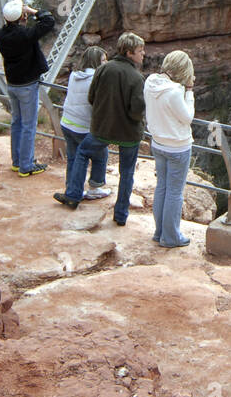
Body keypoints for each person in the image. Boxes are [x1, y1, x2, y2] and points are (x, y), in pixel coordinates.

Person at [64, 32, 146, 227]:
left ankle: (73, 195)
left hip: (103, 129)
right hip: (128, 134)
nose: (143, 54)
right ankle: (120, 215)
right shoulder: (136, 77)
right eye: (140, 51)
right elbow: (137, 111)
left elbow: (91, 97)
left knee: (82, 153)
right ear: (129, 52)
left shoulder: (103, 69)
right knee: (126, 173)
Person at [0, 0, 55, 176]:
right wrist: (34, 11)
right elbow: (49, 21)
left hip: (12, 84)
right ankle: (26, 166)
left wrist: (21, 14)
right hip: (27, 85)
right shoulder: (26, 35)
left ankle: (17, 161)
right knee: (28, 125)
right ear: (23, 17)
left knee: (17, 123)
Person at [144, 50, 196, 248]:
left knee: (162, 188)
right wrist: (189, 90)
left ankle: (159, 233)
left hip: (158, 143)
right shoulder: (175, 92)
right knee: (175, 192)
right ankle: (171, 237)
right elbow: (187, 117)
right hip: (178, 147)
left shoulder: (150, 82)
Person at [58, 46, 111, 201]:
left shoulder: (74, 75)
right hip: (84, 127)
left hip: (67, 123)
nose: (106, 63)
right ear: (95, 62)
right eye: (103, 60)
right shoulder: (97, 79)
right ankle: (95, 187)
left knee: (73, 158)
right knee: (100, 154)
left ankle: (72, 188)